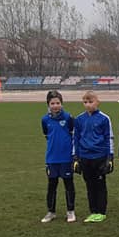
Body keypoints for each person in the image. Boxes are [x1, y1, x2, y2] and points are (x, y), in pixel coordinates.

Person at [73, 90, 114, 223]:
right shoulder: (79, 119)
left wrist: (110, 158)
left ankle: (101, 212)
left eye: (91, 102)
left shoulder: (104, 118)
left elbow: (109, 137)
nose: (88, 104)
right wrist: (75, 157)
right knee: (89, 185)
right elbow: (76, 138)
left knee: (100, 185)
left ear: (97, 102)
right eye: (85, 102)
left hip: (99, 156)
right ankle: (93, 211)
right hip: (85, 157)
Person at [40, 90, 77, 223]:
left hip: (66, 158)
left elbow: (73, 136)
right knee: (52, 186)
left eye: (58, 103)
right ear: (48, 104)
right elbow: (46, 135)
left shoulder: (68, 118)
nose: (55, 106)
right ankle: (51, 212)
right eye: (52, 103)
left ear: (61, 103)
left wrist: (73, 155)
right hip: (52, 158)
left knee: (68, 185)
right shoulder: (45, 119)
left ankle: (70, 211)